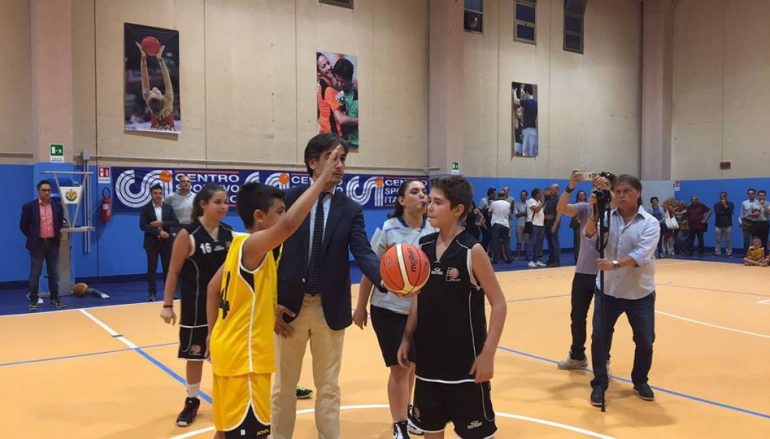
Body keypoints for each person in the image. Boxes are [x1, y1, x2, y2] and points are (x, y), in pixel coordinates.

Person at [205, 145, 344, 439]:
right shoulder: (254, 246)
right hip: (245, 362)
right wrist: (322, 179)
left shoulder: (239, 246)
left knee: (226, 432)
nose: (284, 217)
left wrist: (213, 333)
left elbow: (212, 289)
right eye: (279, 212)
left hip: (228, 352)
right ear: (259, 217)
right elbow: (291, 225)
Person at [271, 134, 386, 439]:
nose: (339, 165)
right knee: (283, 389)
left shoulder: (350, 209)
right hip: (287, 309)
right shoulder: (288, 200)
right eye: (332, 158)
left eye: (343, 159)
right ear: (313, 163)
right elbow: (269, 252)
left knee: (329, 388)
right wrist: (270, 302)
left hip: (329, 309)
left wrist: (386, 280)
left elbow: (363, 252)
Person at [397, 175, 507, 439]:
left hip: (466, 368)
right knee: (431, 432)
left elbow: (499, 304)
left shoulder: (472, 250)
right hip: (428, 364)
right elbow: (418, 297)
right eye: (429, 201)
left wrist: (488, 354)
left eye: (437, 202)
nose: (429, 207)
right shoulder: (423, 246)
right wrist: (407, 337)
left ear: (458, 210)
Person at [353, 179, 435, 439]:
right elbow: (369, 270)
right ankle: (399, 424)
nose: (422, 195)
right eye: (414, 192)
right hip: (388, 310)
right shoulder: (388, 230)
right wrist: (360, 306)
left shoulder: (433, 230)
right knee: (399, 368)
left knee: (412, 366)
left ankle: (406, 414)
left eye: (424, 191)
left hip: (419, 312)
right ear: (401, 200)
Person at [159, 184, 232, 427]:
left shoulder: (229, 234)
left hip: (224, 306)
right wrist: (167, 304)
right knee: (195, 354)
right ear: (203, 204)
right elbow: (173, 270)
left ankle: (226, 397)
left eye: (226, 202)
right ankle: (192, 400)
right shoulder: (188, 234)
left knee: (224, 353)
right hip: (195, 304)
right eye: (218, 202)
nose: (223, 206)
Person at [585, 175, 660, 407]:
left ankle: (640, 380)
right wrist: (594, 211)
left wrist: (614, 265)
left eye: (626, 191)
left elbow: (641, 255)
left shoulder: (650, 223)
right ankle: (599, 383)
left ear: (638, 193)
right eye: (617, 191)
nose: (621, 195)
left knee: (645, 340)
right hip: (608, 290)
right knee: (599, 338)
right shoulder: (607, 217)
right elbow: (590, 234)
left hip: (639, 293)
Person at [554, 172, 612, 370]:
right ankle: (577, 355)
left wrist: (608, 192)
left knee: (602, 321)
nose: (598, 190)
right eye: (596, 186)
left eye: (603, 186)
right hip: (583, 272)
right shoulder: (586, 208)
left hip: (606, 273)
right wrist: (570, 186)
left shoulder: (615, 212)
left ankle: (603, 359)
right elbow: (561, 208)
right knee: (577, 317)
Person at [19, 180, 67, 311]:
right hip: (37, 244)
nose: (46, 193)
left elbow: (59, 223)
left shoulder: (57, 206)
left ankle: (55, 299)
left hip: (52, 243)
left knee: (54, 273)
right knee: (35, 274)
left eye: (48, 190)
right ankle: (33, 301)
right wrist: (33, 237)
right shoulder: (29, 207)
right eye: (44, 190)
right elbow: (23, 226)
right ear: (38, 191)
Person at [140, 184, 179, 301]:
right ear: (151, 194)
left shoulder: (168, 207)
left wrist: (162, 223)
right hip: (151, 242)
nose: (158, 195)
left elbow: (175, 222)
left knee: (168, 269)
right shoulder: (146, 208)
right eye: (155, 193)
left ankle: (169, 293)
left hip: (166, 242)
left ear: (163, 194)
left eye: (160, 193)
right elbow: (143, 226)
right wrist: (158, 232)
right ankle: (151, 293)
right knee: (152, 269)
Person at [135, 41, 175, 130]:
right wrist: (159, 58)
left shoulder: (149, 100)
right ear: (163, 98)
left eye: (151, 92)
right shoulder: (168, 100)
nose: (153, 89)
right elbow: (166, 77)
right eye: (156, 92)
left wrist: (143, 57)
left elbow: (144, 77)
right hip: (169, 135)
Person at [332, 58, 359, 148]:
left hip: (354, 143)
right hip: (339, 142)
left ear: (350, 79)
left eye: (342, 81)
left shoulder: (357, 97)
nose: (339, 84)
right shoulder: (334, 91)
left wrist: (350, 120)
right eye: (337, 80)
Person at [317, 52, 340, 135]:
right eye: (323, 66)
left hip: (324, 133)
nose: (329, 67)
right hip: (332, 136)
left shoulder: (320, 87)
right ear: (318, 72)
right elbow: (340, 119)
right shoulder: (329, 90)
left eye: (328, 63)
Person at [489, 192, 512, 263]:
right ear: (504, 196)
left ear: (498, 196)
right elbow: (509, 214)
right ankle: (509, 258)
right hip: (505, 224)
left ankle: (495, 259)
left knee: (495, 242)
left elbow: (489, 213)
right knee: (506, 243)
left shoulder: (493, 203)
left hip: (496, 224)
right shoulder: (508, 204)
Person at [527, 188, 546, 267]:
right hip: (533, 224)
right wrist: (543, 202)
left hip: (540, 225)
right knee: (532, 242)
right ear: (536, 194)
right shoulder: (531, 201)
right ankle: (530, 260)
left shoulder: (538, 202)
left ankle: (536, 259)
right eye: (540, 193)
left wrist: (542, 203)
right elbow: (537, 210)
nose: (542, 195)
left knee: (538, 244)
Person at [544, 184, 562, 267]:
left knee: (555, 242)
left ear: (556, 189)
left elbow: (559, 213)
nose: (550, 191)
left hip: (554, 223)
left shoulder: (559, 199)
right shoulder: (550, 198)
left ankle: (556, 261)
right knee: (550, 243)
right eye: (550, 189)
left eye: (552, 189)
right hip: (547, 223)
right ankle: (551, 259)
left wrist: (555, 225)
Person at [713, 191, 735, 257]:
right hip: (718, 224)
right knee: (718, 240)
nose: (723, 197)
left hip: (728, 224)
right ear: (720, 197)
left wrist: (725, 205)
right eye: (721, 196)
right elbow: (718, 213)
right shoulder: (716, 204)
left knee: (728, 240)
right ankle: (717, 252)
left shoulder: (731, 204)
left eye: (724, 196)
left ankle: (729, 253)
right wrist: (726, 212)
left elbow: (729, 212)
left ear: (726, 196)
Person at [569, 190, 587, 262]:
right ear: (577, 196)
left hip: (587, 225)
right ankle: (577, 258)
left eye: (583, 195)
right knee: (577, 242)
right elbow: (572, 215)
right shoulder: (575, 205)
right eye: (580, 195)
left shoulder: (588, 204)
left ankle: (585, 258)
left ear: (585, 196)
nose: (581, 196)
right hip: (577, 225)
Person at [740, 188, 759, 254]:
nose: (751, 195)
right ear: (747, 194)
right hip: (746, 222)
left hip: (755, 222)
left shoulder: (758, 202)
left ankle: (754, 254)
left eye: (752, 193)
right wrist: (741, 222)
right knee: (746, 239)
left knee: (755, 239)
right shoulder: (744, 202)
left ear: (755, 194)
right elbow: (741, 213)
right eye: (749, 193)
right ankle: (746, 254)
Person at [514, 189, 529, 260]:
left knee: (527, 242)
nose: (522, 196)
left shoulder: (529, 203)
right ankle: (518, 256)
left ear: (526, 196)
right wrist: (525, 213)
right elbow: (517, 215)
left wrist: (521, 213)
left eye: (524, 195)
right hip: (519, 224)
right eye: (521, 195)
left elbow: (529, 214)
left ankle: (527, 256)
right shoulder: (517, 204)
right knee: (519, 241)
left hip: (528, 224)